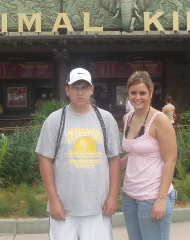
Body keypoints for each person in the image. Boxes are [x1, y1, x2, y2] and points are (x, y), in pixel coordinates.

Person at [35, 67, 121, 240]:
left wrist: (113, 196)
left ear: (92, 89)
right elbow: (45, 160)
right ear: (67, 90)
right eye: (75, 87)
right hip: (64, 208)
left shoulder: (106, 119)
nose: (79, 92)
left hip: (98, 208)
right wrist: (53, 201)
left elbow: (114, 159)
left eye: (84, 87)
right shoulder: (54, 120)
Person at [121, 71, 177, 240]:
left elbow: (170, 160)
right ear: (128, 94)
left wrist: (161, 200)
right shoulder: (127, 118)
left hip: (152, 197)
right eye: (133, 93)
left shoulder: (160, 120)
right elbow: (133, 154)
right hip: (129, 196)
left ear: (151, 94)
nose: (138, 97)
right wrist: (107, 166)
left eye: (142, 93)